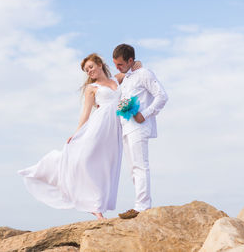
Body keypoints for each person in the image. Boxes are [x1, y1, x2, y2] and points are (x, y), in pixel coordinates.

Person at [18, 53, 123, 220]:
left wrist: (137, 63)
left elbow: (133, 72)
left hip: (113, 132)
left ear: (100, 65)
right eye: (86, 70)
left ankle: (96, 203)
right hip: (97, 128)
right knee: (84, 159)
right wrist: (76, 133)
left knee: (105, 166)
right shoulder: (92, 88)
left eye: (91, 67)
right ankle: (90, 203)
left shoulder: (117, 81)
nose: (89, 71)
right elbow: (85, 114)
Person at [113, 44, 168, 219]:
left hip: (139, 127)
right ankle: (139, 204)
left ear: (130, 60)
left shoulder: (144, 73)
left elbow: (162, 96)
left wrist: (145, 114)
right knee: (133, 169)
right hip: (126, 127)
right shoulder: (127, 78)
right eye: (115, 64)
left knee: (140, 166)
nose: (118, 68)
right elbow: (113, 80)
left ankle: (142, 206)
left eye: (120, 64)